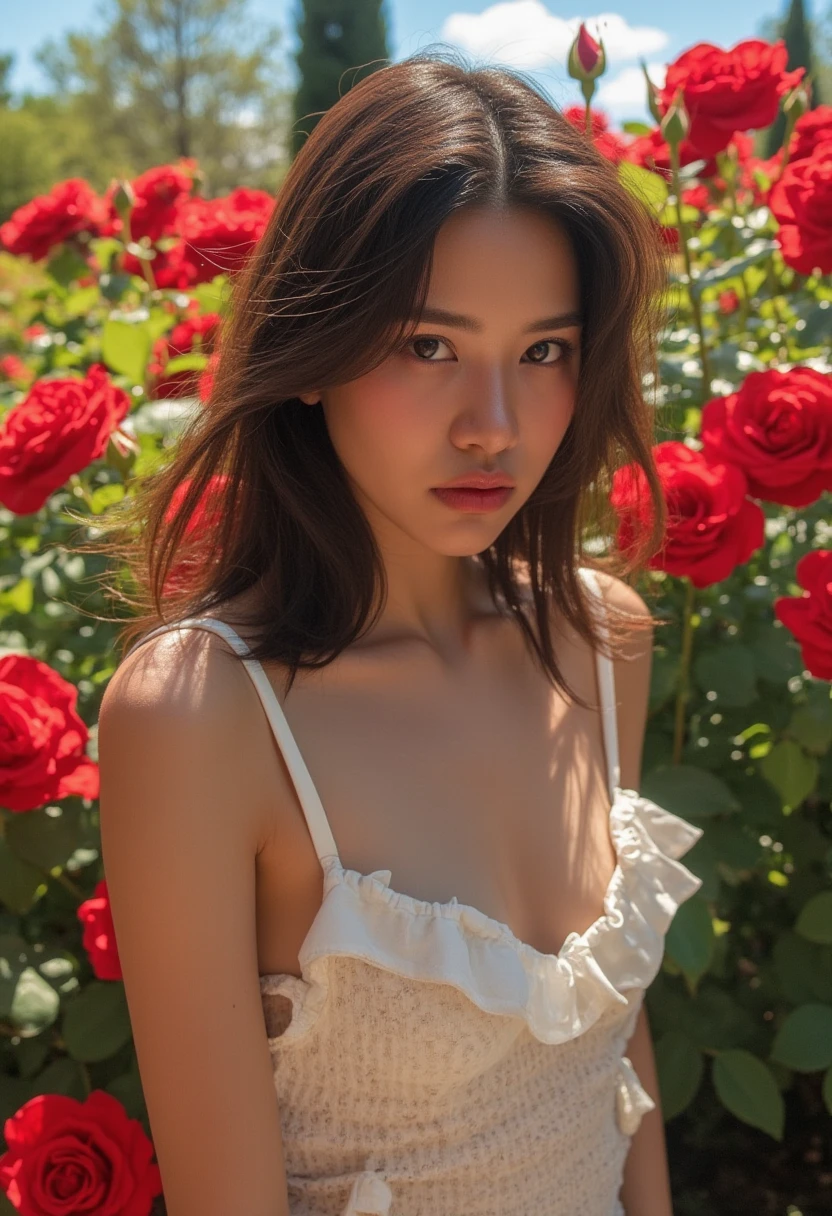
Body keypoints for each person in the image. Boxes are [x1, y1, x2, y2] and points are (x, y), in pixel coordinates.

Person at [97, 49, 704, 1216]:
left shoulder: (601, 642)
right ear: (312, 350)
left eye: (543, 352)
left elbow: (611, 1063)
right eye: (428, 346)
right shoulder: (204, 714)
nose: (493, 426)